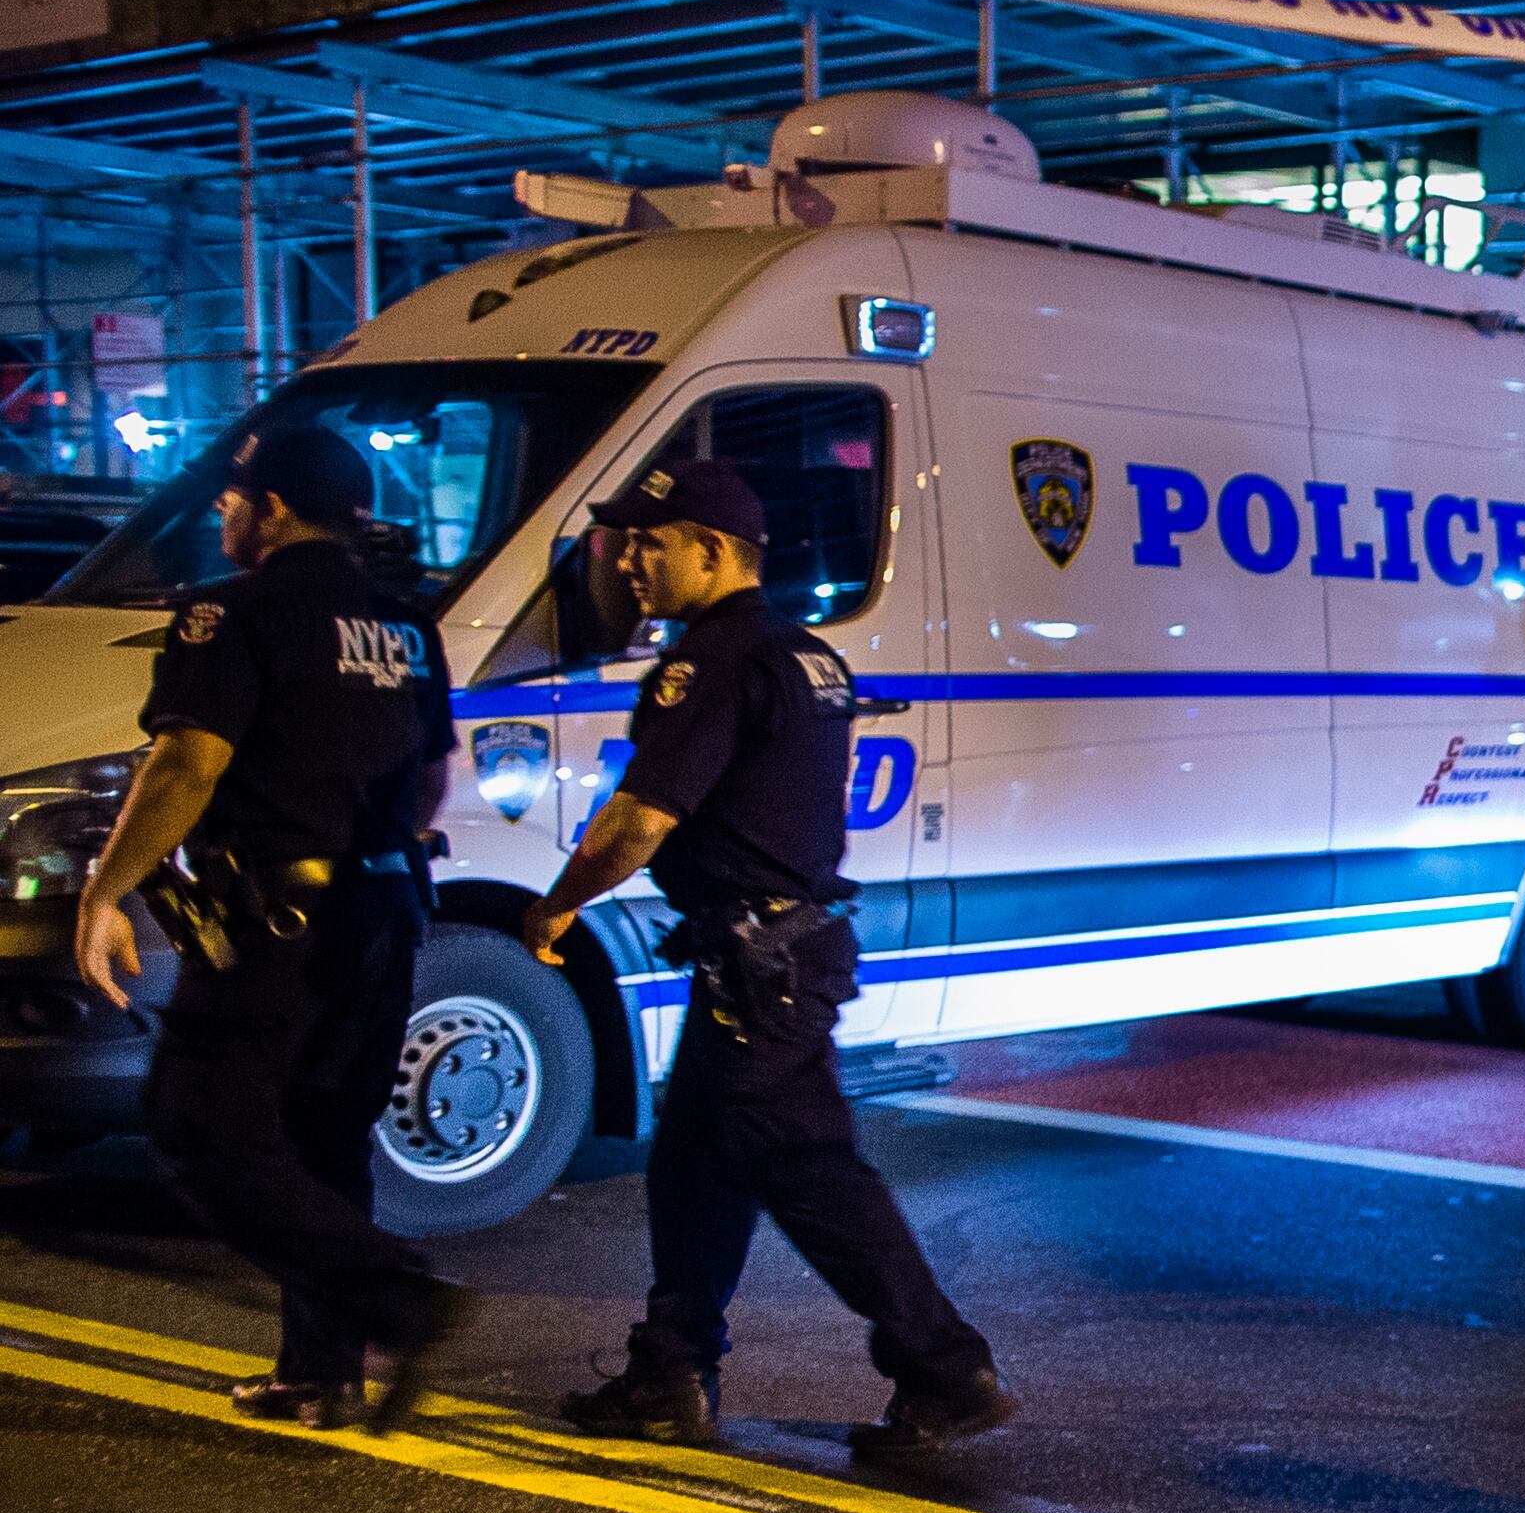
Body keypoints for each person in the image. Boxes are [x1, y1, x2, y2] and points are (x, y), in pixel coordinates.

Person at [517, 459, 1010, 1458]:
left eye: (650, 543)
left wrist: (558, 905)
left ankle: (945, 1370)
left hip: (761, 965)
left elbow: (639, 819)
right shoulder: (801, 653)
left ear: (712, 550)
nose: (629, 561)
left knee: (811, 1173)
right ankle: (671, 1368)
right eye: (626, 542)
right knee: (694, 1170)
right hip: (772, 953)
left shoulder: (714, 660)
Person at [72, 422, 468, 1429]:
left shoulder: (232, 613)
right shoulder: (406, 623)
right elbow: (429, 776)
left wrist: (105, 890)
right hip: (383, 909)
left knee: (202, 1130)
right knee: (326, 1138)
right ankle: (320, 1370)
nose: (221, 511)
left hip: (275, 920)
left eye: (234, 498)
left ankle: (402, 1299)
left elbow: (188, 765)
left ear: (276, 509)